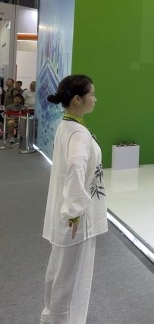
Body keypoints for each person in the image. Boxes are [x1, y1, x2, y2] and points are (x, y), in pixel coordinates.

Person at [41, 74, 107, 324]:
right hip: (75, 220)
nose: (95, 99)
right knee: (70, 282)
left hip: (67, 214)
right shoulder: (77, 132)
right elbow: (75, 167)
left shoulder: (66, 125)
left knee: (59, 274)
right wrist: (75, 210)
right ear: (78, 99)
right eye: (92, 94)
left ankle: (51, 317)